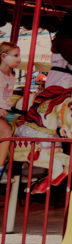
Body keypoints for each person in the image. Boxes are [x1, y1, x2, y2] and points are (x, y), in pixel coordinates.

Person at [0, 42, 21, 172]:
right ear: (3, 56)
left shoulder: (12, 76)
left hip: (6, 112)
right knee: (6, 131)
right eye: (15, 55)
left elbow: (5, 98)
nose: (19, 59)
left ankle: (15, 166)